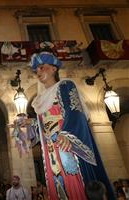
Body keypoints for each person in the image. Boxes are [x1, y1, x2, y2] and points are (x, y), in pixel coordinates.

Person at [20, 51, 115, 199]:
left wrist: (66, 134)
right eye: (36, 70)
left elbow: (75, 112)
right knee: (58, 185)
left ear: (54, 69)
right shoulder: (39, 99)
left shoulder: (65, 86)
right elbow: (45, 125)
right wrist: (31, 122)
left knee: (73, 181)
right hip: (51, 150)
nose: (38, 72)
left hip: (67, 145)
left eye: (42, 67)